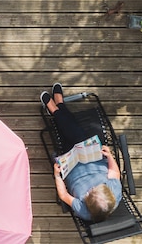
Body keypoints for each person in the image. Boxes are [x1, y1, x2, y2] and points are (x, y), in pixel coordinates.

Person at [41, 83, 122, 222]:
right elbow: (115, 173)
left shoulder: (83, 210)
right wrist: (109, 156)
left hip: (70, 164)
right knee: (77, 137)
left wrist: (57, 176)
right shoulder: (114, 193)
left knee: (72, 137)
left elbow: (63, 195)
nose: (91, 188)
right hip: (92, 158)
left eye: (90, 192)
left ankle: (58, 108)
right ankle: (57, 109)